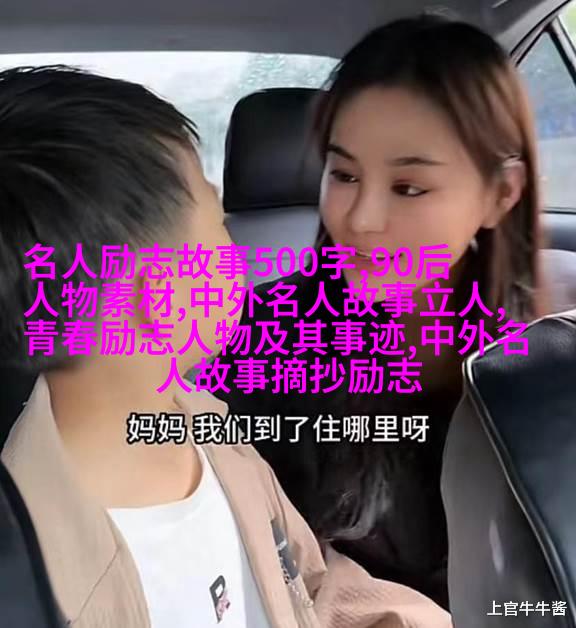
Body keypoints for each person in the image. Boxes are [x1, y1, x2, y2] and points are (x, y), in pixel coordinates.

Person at [0, 66, 451, 627]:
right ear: (161, 295)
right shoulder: (34, 578)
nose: (239, 256)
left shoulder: (204, 424)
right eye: (219, 226)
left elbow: (303, 580)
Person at [214, 15, 547, 610]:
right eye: (343, 174)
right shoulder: (266, 333)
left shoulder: (546, 356)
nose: (360, 219)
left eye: (408, 187)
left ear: (501, 194)